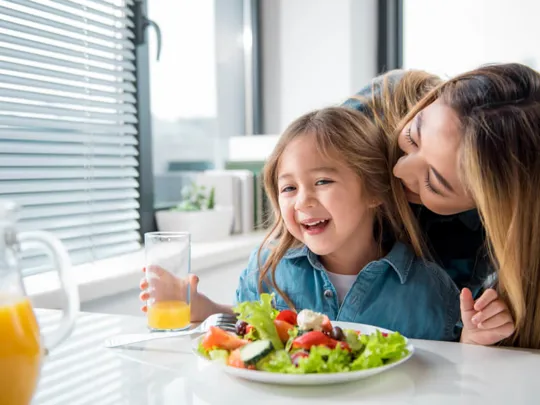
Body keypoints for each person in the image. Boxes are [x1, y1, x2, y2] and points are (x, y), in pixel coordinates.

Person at [142, 106, 486, 342]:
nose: (303, 201)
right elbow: (247, 330)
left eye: (322, 182)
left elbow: (451, 371)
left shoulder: (428, 288)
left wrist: (471, 339)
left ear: (374, 191)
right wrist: (202, 307)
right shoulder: (266, 270)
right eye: (288, 188)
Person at [390, 63, 539, 349]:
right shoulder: (366, 116)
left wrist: (475, 337)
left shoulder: (506, 259)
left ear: (487, 210)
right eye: (412, 138)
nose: (398, 170)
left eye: (433, 184)